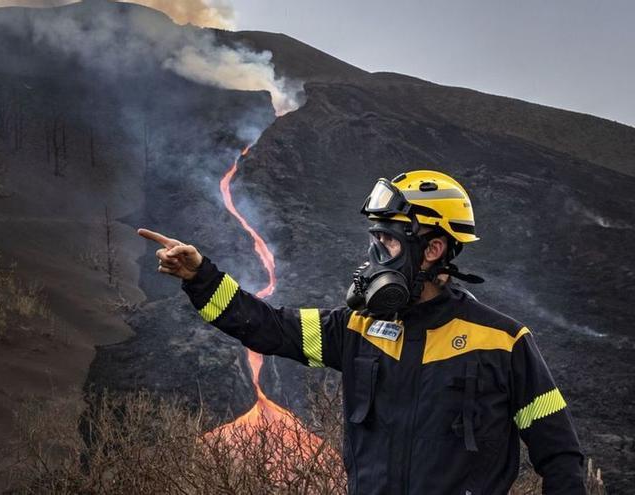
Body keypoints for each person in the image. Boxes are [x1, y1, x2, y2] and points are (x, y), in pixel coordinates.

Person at [139, 170, 586, 494]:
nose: (375, 256)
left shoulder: (503, 341)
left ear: (431, 249)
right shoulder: (357, 327)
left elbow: (559, 455)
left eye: (388, 242)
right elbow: (268, 329)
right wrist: (200, 277)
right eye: (374, 240)